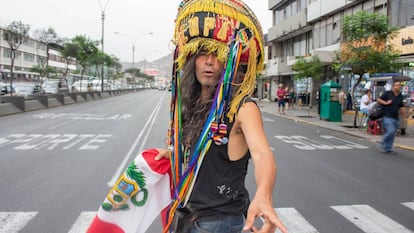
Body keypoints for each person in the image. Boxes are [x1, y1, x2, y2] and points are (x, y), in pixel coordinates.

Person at [155, 1, 287, 232]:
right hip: (187, 216)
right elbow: (200, 155)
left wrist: (264, 195)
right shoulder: (192, 105)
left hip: (219, 224)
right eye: (202, 54)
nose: (209, 61)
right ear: (192, 60)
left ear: (230, 64)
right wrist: (172, 154)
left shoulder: (242, 107)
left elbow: (263, 155)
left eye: (218, 55)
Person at [376, 81, 406, 153]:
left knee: (393, 134)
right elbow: (378, 99)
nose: (399, 87)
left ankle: (388, 148)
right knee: (390, 131)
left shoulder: (400, 95)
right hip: (387, 116)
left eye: (400, 85)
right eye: (397, 85)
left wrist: (404, 117)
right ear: (393, 86)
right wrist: (386, 103)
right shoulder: (388, 93)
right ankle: (382, 142)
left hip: (396, 117)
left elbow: (402, 107)